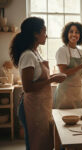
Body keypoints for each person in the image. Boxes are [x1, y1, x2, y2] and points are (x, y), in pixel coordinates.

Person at [9, 17, 66, 150]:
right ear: (35, 34)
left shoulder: (36, 53)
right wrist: (52, 80)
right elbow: (28, 87)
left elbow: (39, 79)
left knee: (44, 144)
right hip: (32, 108)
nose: (46, 35)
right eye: (44, 32)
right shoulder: (28, 55)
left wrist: (54, 76)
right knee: (36, 145)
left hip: (41, 106)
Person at [54, 22, 82, 109]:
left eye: (77, 32)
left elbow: (80, 74)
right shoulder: (62, 51)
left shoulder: (80, 52)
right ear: (66, 34)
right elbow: (64, 72)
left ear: (80, 35)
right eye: (71, 32)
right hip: (65, 94)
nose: (74, 34)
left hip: (78, 93)